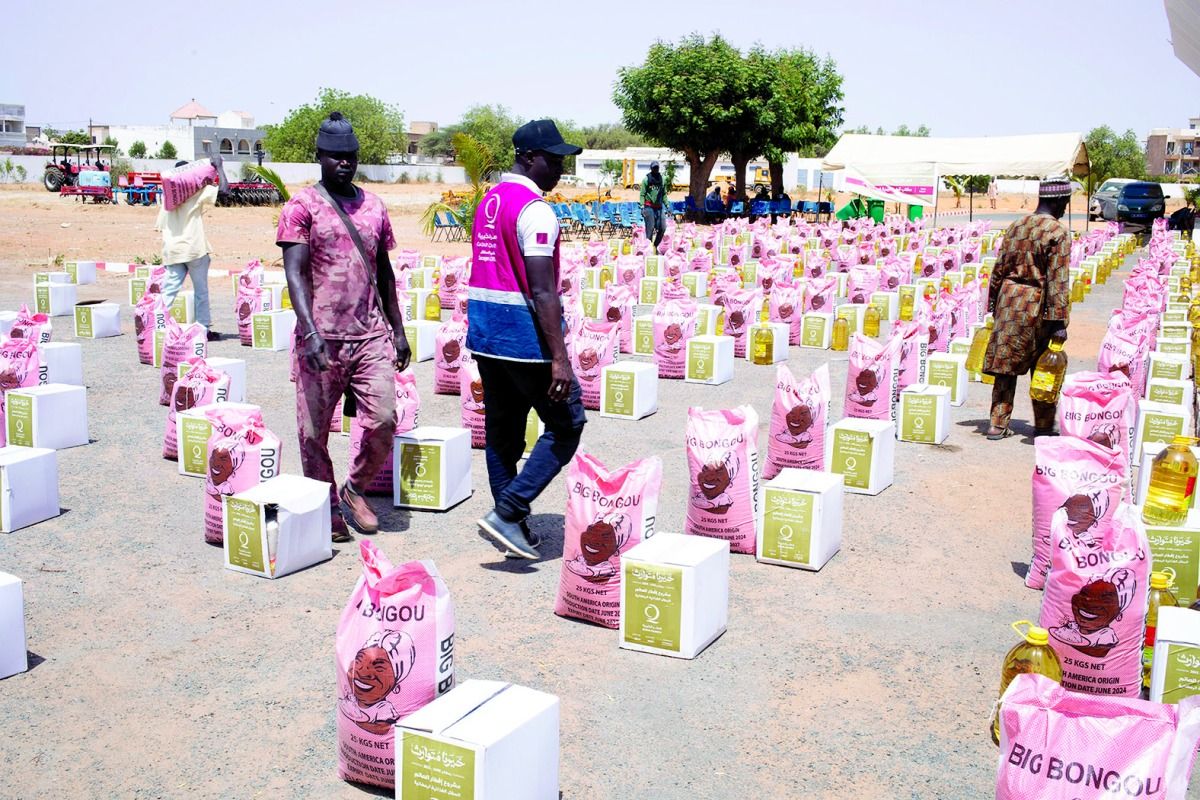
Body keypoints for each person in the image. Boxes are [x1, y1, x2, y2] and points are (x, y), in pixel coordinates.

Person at [277, 112, 410, 542]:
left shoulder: (373, 206)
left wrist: (399, 329)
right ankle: (327, 508)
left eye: (350, 156)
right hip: (320, 341)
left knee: (384, 420)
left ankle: (354, 489)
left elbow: (384, 270)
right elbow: (294, 273)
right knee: (313, 433)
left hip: (370, 335)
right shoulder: (301, 206)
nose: (344, 164)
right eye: (335, 157)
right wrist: (310, 330)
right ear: (319, 157)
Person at [469, 119, 586, 560]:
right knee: (566, 425)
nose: (560, 170)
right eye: (554, 160)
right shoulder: (534, 209)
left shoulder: (489, 201)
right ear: (529, 158)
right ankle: (510, 510)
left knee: (503, 434)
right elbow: (542, 290)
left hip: (485, 335)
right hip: (522, 339)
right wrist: (560, 358)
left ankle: (510, 527)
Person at [982, 177, 1072, 440]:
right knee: (1043, 365)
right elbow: (1058, 280)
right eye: (1065, 203)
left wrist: (994, 305)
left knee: (1005, 366)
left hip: (1008, 301)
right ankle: (1043, 426)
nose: (1066, 208)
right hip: (1036, 305)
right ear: (1059, 201)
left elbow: (998, 268)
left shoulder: (1016, 226)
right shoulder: (1057, 232)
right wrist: (1059, 322)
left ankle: (997, 424)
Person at [156, 155, 228, 341]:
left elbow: (160, 225)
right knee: (201, 292)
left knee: (169, 291)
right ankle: (202, 330)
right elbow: (225, 191)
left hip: (173, 249)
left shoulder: (167, 199)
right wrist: (219, 167)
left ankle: (156, 328)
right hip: (194, 248)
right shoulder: (195, 193)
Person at [639, 161, 667, 250]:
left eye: (657, 168)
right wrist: (642, 206)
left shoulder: (662, 179)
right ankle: (648, 249)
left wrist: (667, 205)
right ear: (651, 169)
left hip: (659, 207)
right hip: (649, 207)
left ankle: (655, 245)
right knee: (650, 229)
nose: (656, 169)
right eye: (654, 168)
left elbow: (664, 194)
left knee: (663, 227)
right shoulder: (646, 180)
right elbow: (642, 194)